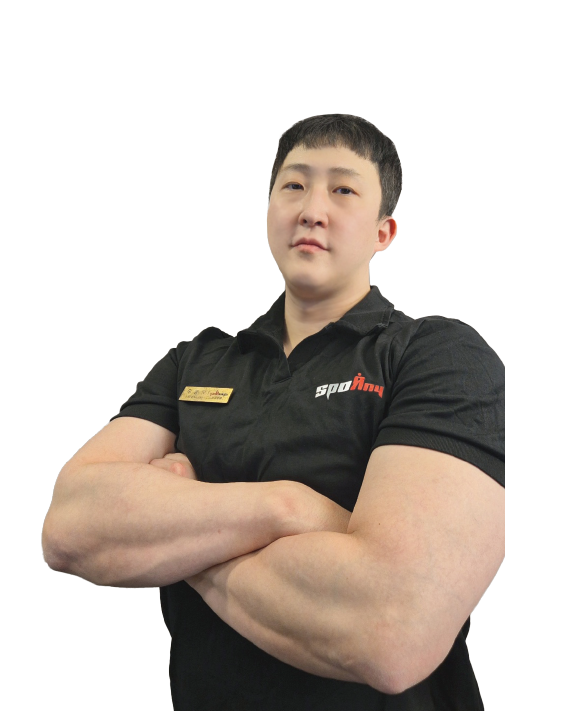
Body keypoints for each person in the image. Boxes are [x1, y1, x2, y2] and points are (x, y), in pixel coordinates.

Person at [42, 113, 505, 710]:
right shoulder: (195, 361)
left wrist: (175, 536)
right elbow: (69, 528)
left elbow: (392, 631)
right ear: (269, 212)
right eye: (294, 185)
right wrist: (286, 507)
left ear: (384, 232)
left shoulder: (437, 355)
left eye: (343, 189)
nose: (312, 209)